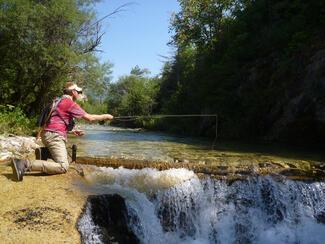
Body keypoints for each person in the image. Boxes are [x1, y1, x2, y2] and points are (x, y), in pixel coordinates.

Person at [11, 81, 114, 181]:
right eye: (79, 92)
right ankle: (24, 164)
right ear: (73, 92)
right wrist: (106, 116)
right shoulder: (69, 103)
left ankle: (44, 153)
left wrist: (72, 131)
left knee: (64, 157)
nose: (79, 94)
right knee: (63, 166)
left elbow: (55, 120)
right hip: (54, 136)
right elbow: (90, 118)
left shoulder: (57, 101)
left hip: (46, 134)